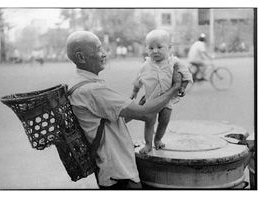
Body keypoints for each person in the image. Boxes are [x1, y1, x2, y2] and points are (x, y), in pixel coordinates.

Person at [65, 31, 182, 189]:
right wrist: (174, 88)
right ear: (81, 57)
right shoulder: (92, 90)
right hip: (119, 174)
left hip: (111, 170)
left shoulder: (79, 82)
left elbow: (110, 119)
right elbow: (147, 114)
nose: (105, 54)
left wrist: (138, 108)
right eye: (99, 50)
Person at [130, 29, 192, 154]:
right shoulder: (146, 65)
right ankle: (148, 144)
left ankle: (158, 140)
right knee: (149, 121)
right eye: (151, 48)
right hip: (151, 99)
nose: (155, 51)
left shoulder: (174, 62)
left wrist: (183, 87)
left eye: (159, 47)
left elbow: (186, 74)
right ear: (146, 49)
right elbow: (138, 79)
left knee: (164, 121)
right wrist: (135, 91)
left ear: (169, 47)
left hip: (167, 101)